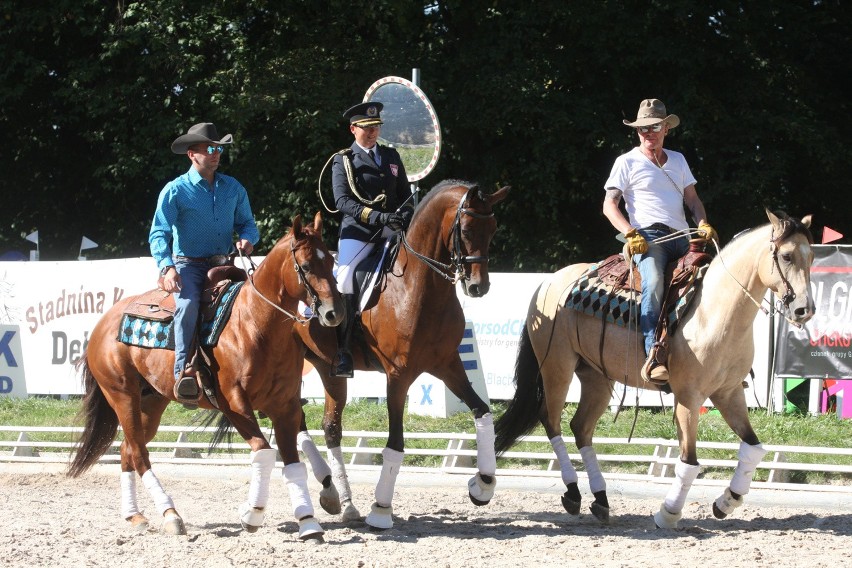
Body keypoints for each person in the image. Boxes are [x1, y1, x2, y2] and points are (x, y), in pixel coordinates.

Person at [602, 99, 716, 384]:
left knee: (717, 281)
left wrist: (702, 223)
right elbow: (609, 205)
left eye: (653, 127)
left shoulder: (678, 160)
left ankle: (718, 357)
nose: (647, 133)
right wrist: (630, 233)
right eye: (642, 129)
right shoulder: (625, 162)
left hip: (683, 237)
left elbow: (693, 200)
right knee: (653, 282)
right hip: (648, 237)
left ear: (666, 128)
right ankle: (654, 352)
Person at [149, 122, 260, 403]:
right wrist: (167, 267)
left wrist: (247, 238)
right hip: (190, 265)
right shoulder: (175, 191)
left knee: (261, 302)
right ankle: (184, 371)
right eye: (210, 148)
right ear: (192, 154)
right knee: (186, 306)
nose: (216, 153)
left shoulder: (233, 187)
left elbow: (248, 223)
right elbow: (158, 232)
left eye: (219, 148)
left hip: (226, 263)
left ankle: (268, 371)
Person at [330, 101, 414, 378]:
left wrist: (406, 215)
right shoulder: (343, 160)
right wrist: (378, 218)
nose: (372, 132)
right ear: (353, 129)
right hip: (359, 233)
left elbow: (404, 194)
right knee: (344, 277)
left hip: (392, 230)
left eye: (376, 127)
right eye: (366, 128)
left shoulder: (391, 156)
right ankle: (343, 350)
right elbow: (342, 201)